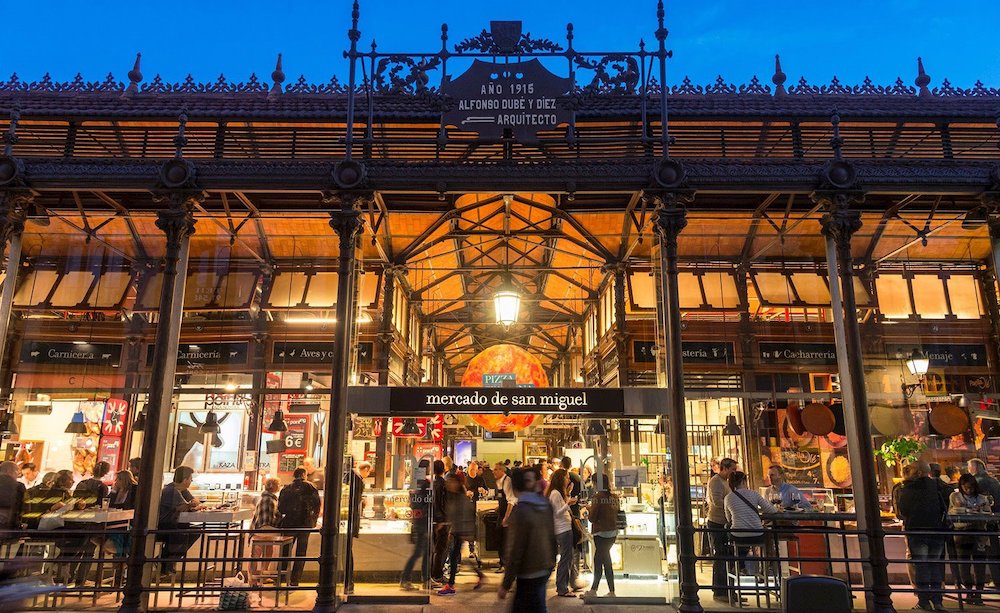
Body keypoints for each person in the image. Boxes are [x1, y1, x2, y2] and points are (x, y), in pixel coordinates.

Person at [498, 467, 556, 613]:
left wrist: (506, 584)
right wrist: (551, 561)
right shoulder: (545, 505)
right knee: (538, 605)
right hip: (544, 566)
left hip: (528, 571)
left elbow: (515, 549)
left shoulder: (521, 511)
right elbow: (552, 536)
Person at [897, 461, 948, 612]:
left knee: (921, 566)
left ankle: (924, 600)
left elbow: (903, 510)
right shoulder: (938, 486)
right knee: (935, 566)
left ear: (918, 472)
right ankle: (938, 601)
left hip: (917, 530)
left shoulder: (907, 488)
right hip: (937, 531)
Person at [724, 470, 779, 602]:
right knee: (766, 536)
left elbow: (728, 518)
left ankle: (739, 565)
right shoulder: (753, 494)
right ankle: (766, 567)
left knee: (738, 544)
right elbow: (771, 510)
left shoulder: (728, 497)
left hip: (738, 535)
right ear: (744, 481)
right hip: (756, 535)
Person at [438, 472, 484, 595]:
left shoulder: (461, 498)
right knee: (455, 556)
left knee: (454, 557)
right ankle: (479, 575)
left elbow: (466, 516)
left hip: (461, 531)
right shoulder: (454, 496)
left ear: (456, 483)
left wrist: (466, 532)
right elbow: (454, 515)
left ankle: (451, 585)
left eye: (450, 482)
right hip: (457, 530)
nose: (448, 484)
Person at [948, 473, 991, 606]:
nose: (968, 490)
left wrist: (978, 513)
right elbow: (952, 512)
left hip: (979, 534)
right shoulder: (955, 496)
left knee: (979, 566)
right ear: (961, 487)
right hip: (962, 533)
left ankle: (978, 592)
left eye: (971, 488)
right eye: (966, 488)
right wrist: (969, 512)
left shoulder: (982, 498)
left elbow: (988, 514)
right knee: (964, 565)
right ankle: (968, 590)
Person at [278, 468, 320, 586]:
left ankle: (281, 578)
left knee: (285, 551)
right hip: (305, 524)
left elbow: (281, 509)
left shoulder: (286, 489)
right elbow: (317, 505)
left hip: (289, 523)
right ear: (304, 474)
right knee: (301, 552)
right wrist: (314, 521)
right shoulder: (311, 487)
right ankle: (295, 580)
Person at [157, 466, 201, 577]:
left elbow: (193, 502)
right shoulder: (170, 491)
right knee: (186, 534)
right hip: (165, 526)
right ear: (185, 479)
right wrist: (192, 505)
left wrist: (193, 504)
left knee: (194, 531)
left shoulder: (182, 491)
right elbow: (185, 507)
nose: (191, 481)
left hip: (174, 524)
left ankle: (166, 560)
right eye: (190, 478)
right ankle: (166, 561)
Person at [706, 458, 738, 602]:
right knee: (720, 555)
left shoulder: (725, 482)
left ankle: (726, 590)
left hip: (724, 522)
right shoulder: (716, 481)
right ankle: (720, 591)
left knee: (726, 555)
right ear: (724, 468)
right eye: (732, 469)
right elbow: (716, 501)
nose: (734, 472)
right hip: (717, 522)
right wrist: (731, 508)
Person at [584, 473, 619, 598]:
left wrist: (588, 510)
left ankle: (594, 590)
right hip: (612, 532)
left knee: (599, 560)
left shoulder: (598, 497)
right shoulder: (614, 497)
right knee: (605, 559)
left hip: (601, 533)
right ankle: (610, 590)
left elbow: (593, 518)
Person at [401, 459, 432, 591]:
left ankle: (425, 579)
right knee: (420, 552)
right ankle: (407, 579)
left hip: (418, 520)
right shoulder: (424, 484)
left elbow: (413, 503)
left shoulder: (413, 483)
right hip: (423, 522)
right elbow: (426, 502)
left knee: (424, 551)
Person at [968, 458, 1000, 587]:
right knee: (994, 550)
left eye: (969, 468)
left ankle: (979, 585)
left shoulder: (975, 482)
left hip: (979, 521)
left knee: (979, 553)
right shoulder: (994, 481)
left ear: (974, 468)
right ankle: (997, 579)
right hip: (994, 520)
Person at [546, 468, 577, 597]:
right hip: (562, 529)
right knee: (565, 558)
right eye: (566, 477)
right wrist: (568, 503)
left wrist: (568, 495)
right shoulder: (555, 494)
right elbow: (557, 512)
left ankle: (564, 585)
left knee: (567, 557)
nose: (568, 480)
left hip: (564, 528)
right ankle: (562, 587)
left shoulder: (557, 493)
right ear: (561, 479)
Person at [344, 461, 371, 592]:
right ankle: (348, 582)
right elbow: (355, 500)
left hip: (349, 519)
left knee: (347, 549)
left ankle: (348, 582)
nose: (369, 474)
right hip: (350, 519)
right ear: (365, 469)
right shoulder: (357, 479)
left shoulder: (352, 478)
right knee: (348, 549)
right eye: (369, 471)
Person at [560, 456, 585, 589]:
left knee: (569, 550)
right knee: (573, 548)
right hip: (573, 514)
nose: (567, 480)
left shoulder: (560, 478)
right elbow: (582, 494)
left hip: (568, 516)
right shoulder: (577, 477)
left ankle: (570, 579)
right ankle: (572, 579)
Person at [493, 462, 515, 574]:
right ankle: (502, 562)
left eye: (496, 469)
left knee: (505, 541)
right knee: (499, 539)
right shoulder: (498, 482)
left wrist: (506, 518)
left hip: (508, 516)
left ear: (502, 471)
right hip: (501, 513)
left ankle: (506, 565)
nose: (494, 471)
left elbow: (511, 501)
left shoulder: (507, 481)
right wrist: (499, 506)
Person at [431, 460, 450, 584]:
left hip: (433, 520)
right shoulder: (443, 484)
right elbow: (443, 504)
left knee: (436, 549)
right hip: (441, 520)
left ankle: (434, 573)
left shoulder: (431, 484)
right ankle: (437, 574)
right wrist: (443, 520)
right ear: (443, 470)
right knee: (441, 549)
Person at [0, 461, 25, 539]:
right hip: (7, 526)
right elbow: (22, 507)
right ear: (10, 471)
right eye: (17, 471)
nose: (18, 474)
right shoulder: (18, 486)